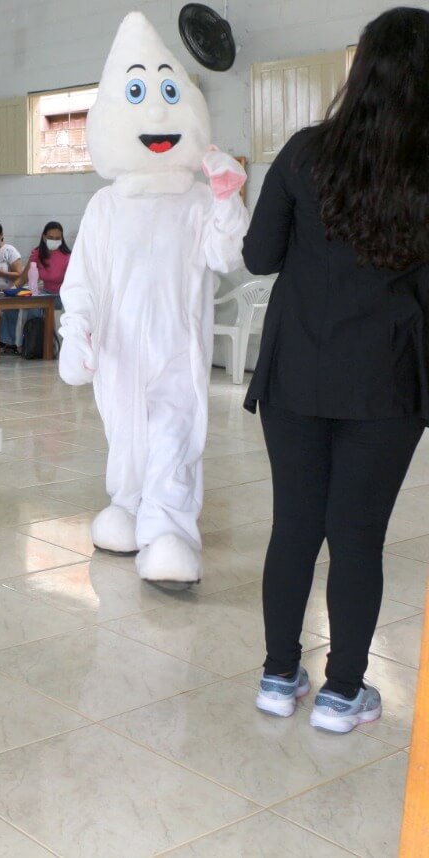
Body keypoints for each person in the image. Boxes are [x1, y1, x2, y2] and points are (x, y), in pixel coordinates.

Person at [245, 7, 429, 732]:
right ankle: (342, 692)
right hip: (387, 380)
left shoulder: (304, 153)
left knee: (294, 525)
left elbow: (259, 257)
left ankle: (276, 677)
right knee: (357, 535)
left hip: (296, 371)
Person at [57, 12, 249, 582]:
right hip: (118, 350)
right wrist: (77, 328)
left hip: (175, 342)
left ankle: (167, 530)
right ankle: (131, 503)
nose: (158, 113)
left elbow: (224, 257)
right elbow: (82, 277)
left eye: (168, 93)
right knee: (128, 434)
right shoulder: (106, 206)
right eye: (138, 93)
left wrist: (226, 203)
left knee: (172, 433)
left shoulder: (194, 201)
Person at [1, 221, 71, 352]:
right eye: (50, 238)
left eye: (57, 238)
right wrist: (11, 289)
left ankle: (36, 345)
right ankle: (10, 343)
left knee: (34, 308)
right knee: (11, 301)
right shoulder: (38, 253)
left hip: (61, 296)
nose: (54, 241)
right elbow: (23, 278)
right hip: (43, 292)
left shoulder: (68, 256)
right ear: (44, 237)